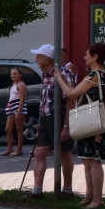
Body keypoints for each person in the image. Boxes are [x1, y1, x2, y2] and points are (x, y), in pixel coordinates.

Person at [55, 42, 105, 209]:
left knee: (93, 160)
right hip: (90, 121)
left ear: (95, 57)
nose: (84, 57)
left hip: (91, 122)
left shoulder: (94, 75)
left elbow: (72, 94)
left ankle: (97, 199)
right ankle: (89, 197)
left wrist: (59, 79)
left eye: (87, 54)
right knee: (87, 160)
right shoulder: (100, 75)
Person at [29, 44, 76, 199]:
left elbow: (71, 100)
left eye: (39, 56)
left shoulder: (63, 73)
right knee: (39, 152)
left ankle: (67, 189)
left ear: (47, 59)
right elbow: (45, 99)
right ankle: (37, 190)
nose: (36, 59)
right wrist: (42, 119)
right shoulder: (45, 74)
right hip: (47, 118)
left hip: (61, 117)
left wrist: (66, 126)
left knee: (64, 153)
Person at [2, 67, 27, 157]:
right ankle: (9, 149)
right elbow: (11, 98)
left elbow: (22, 99)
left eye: (15, 74)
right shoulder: (12, 85)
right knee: (8, 129)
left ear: (20, 75)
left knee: (18, 129)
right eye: (12, 74)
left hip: (18, 107)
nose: (13, 75)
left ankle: (19, 150)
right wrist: (8, 107)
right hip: (11, 107)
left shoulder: (21, 85)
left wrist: (18, 112)